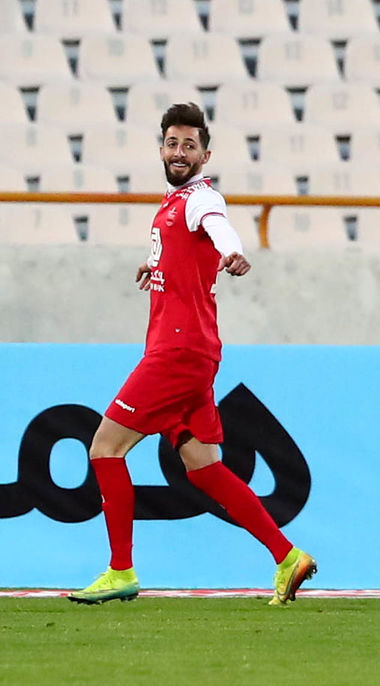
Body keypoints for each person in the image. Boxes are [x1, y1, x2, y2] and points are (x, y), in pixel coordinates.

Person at [68, 103, 317, 607]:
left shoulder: (202, 199)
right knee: (202, 466)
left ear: (206, 154)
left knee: (104, 449)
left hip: (176, 353)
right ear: (161, 148)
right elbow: (187, 244)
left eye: (189, 145)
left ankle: (120, 570)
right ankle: (287, 556)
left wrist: (231, 250)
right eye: (172, 143)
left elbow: (217, 224)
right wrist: (156, 263)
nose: (180, 152)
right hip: (194, 351)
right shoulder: (172, 204)